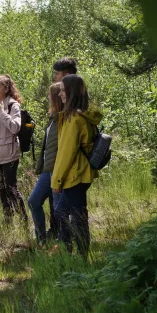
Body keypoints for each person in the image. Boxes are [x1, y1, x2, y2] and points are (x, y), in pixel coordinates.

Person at [51, 74, 102, 256]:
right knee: (63, 212)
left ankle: (80, 255)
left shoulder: (74, 120)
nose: (60, 95)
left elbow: (66, 154)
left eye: (63, 91)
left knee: (77, 217)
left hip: (76, 174)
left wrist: (57, 181)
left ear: (71, 93)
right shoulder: (79, 116)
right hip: (81, 173)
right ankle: (67, 249)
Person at [0, 74, 29, 225]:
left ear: (6, 88)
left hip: (9, 154)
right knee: (1, 188)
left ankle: (24, 220)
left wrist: (3, 112)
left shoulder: (12, 105)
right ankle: (8, 219)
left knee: (11, 188)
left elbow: (15, 127)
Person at [28, 83, 63, 243]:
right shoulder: (52, 119)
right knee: (34, 201)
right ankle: (41, 239)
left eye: (50, 95)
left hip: (58, 170)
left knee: (58, 209)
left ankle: (63, 243)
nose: (47, 97)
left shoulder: (63, 119)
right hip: (47, 170)